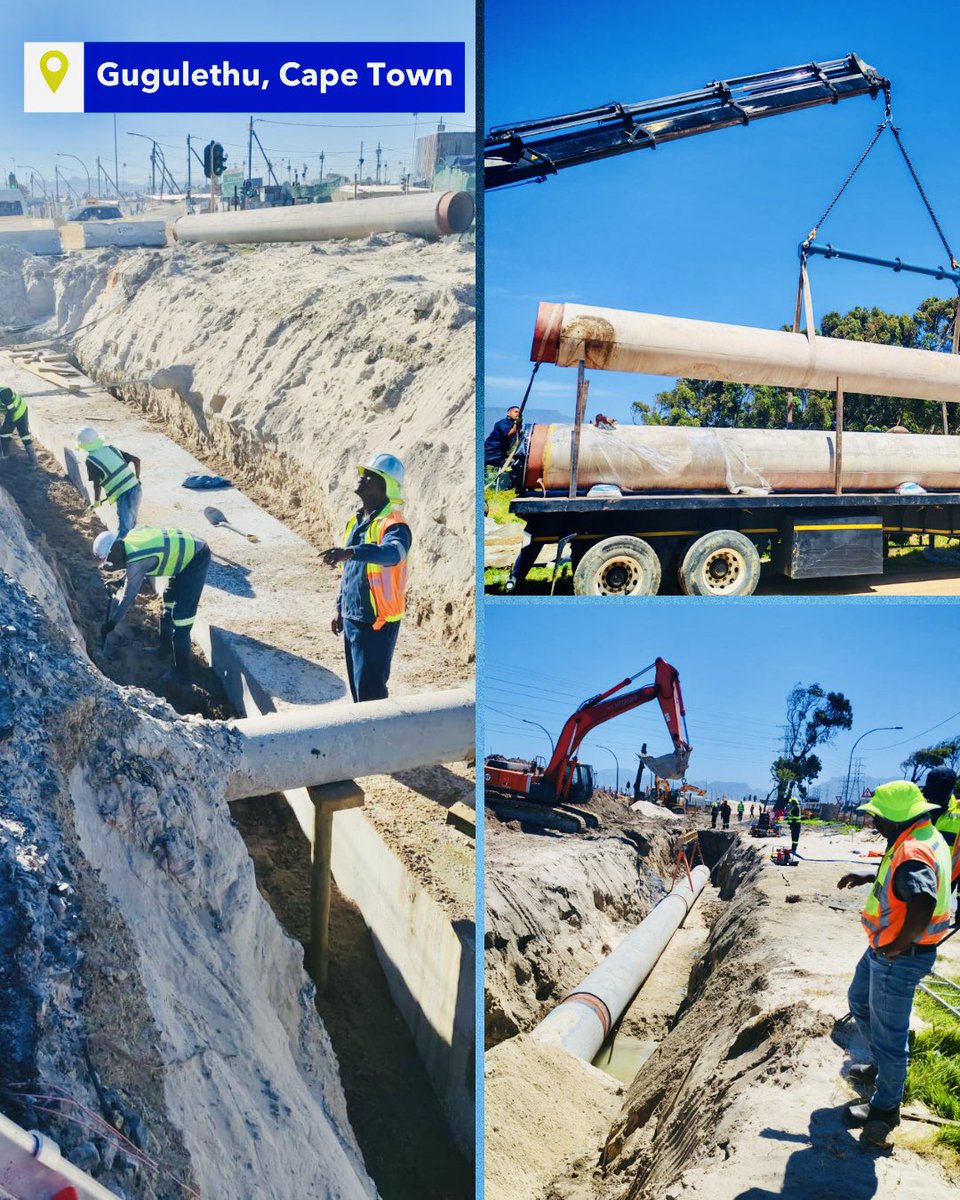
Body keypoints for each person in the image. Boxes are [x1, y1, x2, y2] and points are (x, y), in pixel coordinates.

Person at [836, 780, 953, 1147]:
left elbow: (922, 901)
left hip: (898, 956)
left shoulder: (913, 852)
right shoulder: (922, 835)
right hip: (886, 949)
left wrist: (897, 946)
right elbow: (903, 881)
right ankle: (880, 1069)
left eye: (879, 818)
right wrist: (868, 876)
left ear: (898, 817)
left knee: (891, 1038)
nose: (876, 824)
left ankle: (885, 1109)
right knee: (859, 1001)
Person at [323, 453, 411, 703]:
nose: (361, 477)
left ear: (383, 486)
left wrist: (351, 552)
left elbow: (393, 553)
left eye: (369, 475)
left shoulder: (395, 525)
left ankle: (381, 741)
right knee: (359, 691)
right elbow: (350, 572)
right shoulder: (356, 521)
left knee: (371, 693)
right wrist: (340, 607)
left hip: (377, 620)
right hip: (353, 616)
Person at [93, 526, 210, 684]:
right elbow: (134, 565)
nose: (111, 565)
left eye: (110, 560)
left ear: (115, 549)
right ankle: (165, 650)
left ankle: (184, 674)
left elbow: (129, 597)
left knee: (181, 619)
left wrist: (112, 623)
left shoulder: (136, 559)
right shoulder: (130, 540)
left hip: (196, 557)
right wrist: (120, 580)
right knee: (168, 606)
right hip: (182, 559)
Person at [76, 426, 142, 537]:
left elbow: (97, 484)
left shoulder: (91, 460)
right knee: (131, 524)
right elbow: (137, 460)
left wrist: (97, 501)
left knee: (124, 531)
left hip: (124, 494)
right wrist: (137, 478)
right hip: (136, 489)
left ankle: (122, 551)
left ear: (84, 446)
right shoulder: (112, 449)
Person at [924, 766, 960, 927]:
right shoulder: (918, 808)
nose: (934, 801)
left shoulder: (958, 812)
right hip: (922, 868)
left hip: (949, 872)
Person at [484, 406, 522, 487]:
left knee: (515, 464)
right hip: (488, 452)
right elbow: (510, 434)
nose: (517, 414)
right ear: (508, 413)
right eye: (515, 412)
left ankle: (511, 487)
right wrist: (516, 424)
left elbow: (518, 434)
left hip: (500, 455)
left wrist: (519, 423)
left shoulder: (513, 425)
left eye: (519, 412)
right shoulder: (502, 423)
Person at [0, 386, 37, 464]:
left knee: (24, 436)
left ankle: (34, 462)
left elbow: (12, 412)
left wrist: (7, 427)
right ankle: (5, 458)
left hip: (19, 410)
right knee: (4, 434)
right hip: (11, 412)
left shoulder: (3, 392)